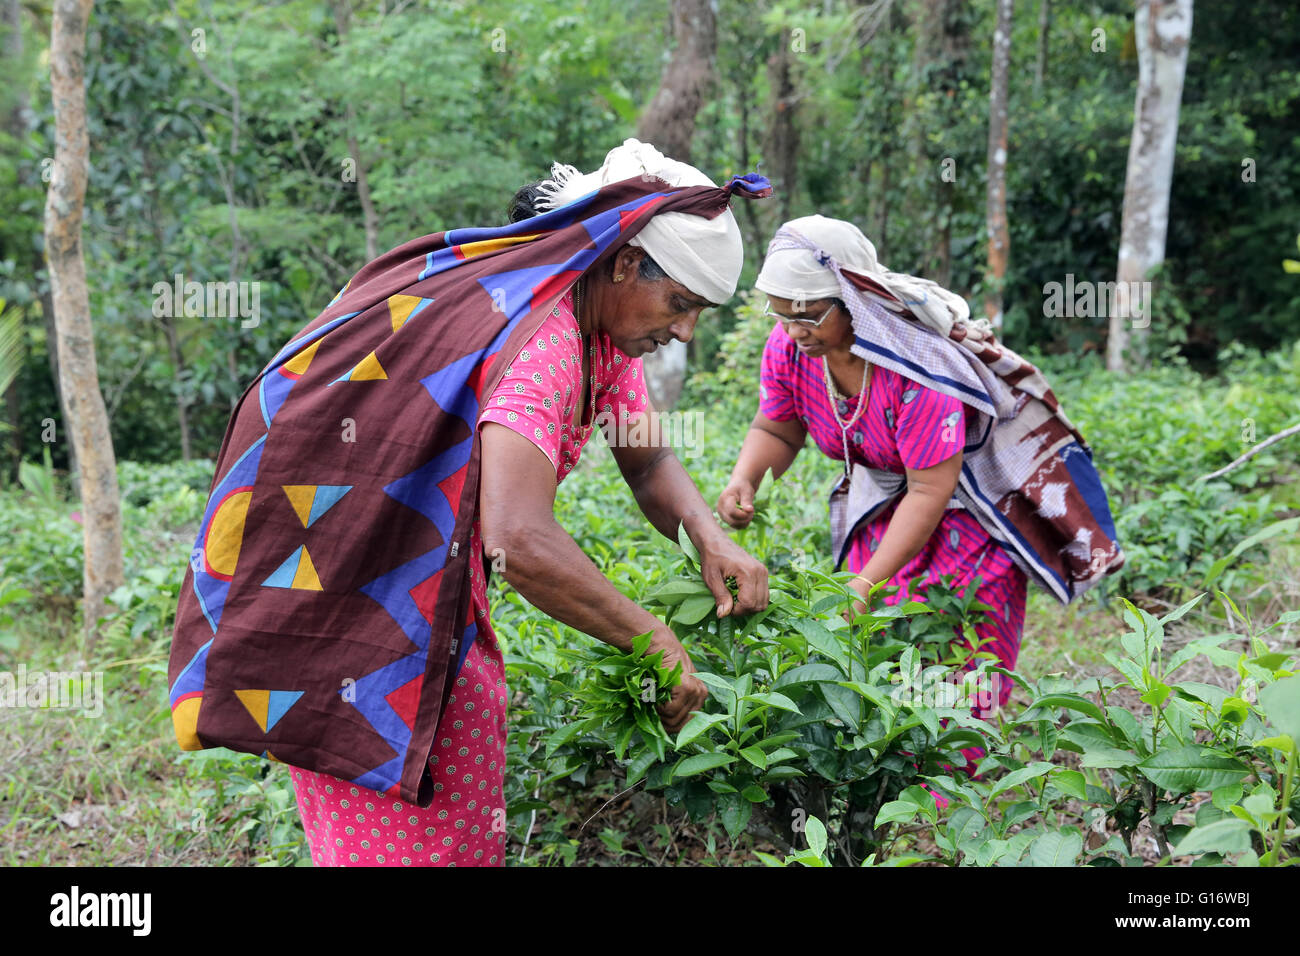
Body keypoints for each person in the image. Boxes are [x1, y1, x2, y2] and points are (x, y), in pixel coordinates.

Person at [166, 140, 772, 866]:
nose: (683, 331)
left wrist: (709, 535)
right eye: (678, 304)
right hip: (364, 615)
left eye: (696, 312)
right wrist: (656, 640)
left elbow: (647, 460)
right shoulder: (544, 346)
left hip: (425, 603)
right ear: (620, 263)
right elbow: (518, 540)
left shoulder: (602, 337)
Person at [717, 215, 1123, 761]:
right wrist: (745, 479)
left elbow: (929, 491)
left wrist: (863, 583)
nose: (794, 329)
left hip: (964, 515)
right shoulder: (792, 348)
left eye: (809, 314)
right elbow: (777, 426)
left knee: (955, 648)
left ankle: (955, 794)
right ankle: (887, 779)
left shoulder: (915, 368)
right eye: (781, 313)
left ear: (854, 299)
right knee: (880, 649)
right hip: (885, 505)